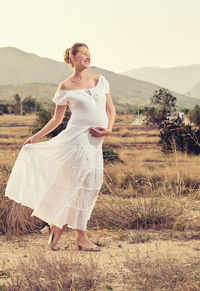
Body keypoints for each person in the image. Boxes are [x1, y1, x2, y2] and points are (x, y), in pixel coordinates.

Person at [4, 42, 116, 251]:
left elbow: (111, 110)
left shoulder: (100, 81)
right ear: (72, 58)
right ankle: (79, 237)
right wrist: (35, 138)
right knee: (79, 182)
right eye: (83, 54)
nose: (87, 57)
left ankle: (58, 224)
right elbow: (57, 120)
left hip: (96, 142)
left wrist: (108, 130)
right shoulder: (65, 86)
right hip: (77, 139)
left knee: (91, 184)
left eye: (89, 54)